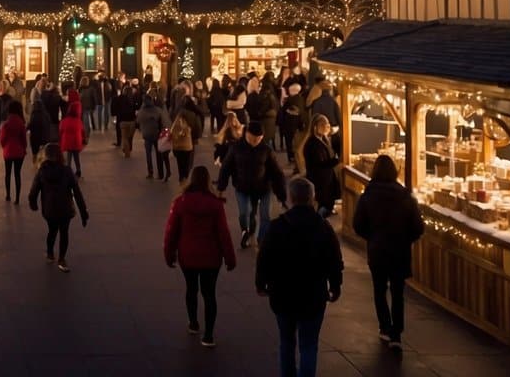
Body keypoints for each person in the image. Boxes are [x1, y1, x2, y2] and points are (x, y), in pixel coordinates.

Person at [256, 178, 343, 377]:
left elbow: (264, 258)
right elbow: (334, 259)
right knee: (309, 344)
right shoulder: (323, 227)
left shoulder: (277, 226)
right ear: (312, 198)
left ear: (291, 198)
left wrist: (261, 283)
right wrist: (335, 285)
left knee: (286, 342)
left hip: (282, 293)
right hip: (313, 294)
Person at [352, 155, 424, 349]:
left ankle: (384, 327)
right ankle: (396, 334)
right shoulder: (405, 195)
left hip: (377, 250)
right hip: (399, 251)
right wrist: (406, 238)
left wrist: (372, 237)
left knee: (379, 289)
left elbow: (358, 224)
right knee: (398, 292)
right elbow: (418, 226)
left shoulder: (368, 195)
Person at [164, 166, 237, 348]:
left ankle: (193, 323)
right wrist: (230, 258)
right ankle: (209, 335)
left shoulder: (180, 202)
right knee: (209, 294)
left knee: (191, 289)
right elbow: (223, 234)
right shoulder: (215, 204)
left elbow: (171, 231)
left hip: (187, 255)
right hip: (211, 257)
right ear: (207, 182)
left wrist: (169, 254)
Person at [216, 121, 288, 248]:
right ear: (247, 134)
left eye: (259, 139)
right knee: (245, 213)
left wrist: (281, 195)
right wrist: (221, 188)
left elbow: (276, 173)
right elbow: (226, 168)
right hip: (242, 187)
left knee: (265, 215)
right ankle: (246, 231)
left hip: (263, 188)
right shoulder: (236, 148)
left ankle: (262, 239)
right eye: (253, 138)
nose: (256, 141)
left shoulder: (266, 149)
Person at [28, 143, 89, 273]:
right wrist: (84, 212)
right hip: (65, 208)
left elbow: (33, 191)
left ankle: (50, 253)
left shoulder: (42, 171)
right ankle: (61, 259)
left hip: (49, 209)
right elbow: (77, 193)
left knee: (52, 230)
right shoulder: (67, 171)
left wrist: (33, 204)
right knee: (64, 233)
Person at [298, 114, 340, 217]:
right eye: (324, 124)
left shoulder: (323, 139)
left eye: (328, 124)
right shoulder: (312, 144)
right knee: (323, 204)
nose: (327, 127)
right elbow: (319, 164)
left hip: (326, 179)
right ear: (315, 127)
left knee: (327, 203)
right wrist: (335, 160)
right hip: (319, 180)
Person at [136, 90, 171, 181]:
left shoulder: (142, 112)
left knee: (148, 154)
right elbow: (163, 122)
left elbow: (138, 121)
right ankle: (160, 173)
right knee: (159, 154)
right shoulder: (157, 110)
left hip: (147, 134)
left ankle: (150, 172)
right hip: (156, 134)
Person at [0, 100, 28, 204]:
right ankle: (17, 198)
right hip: (19, 152)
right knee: (17, 174)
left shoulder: (6, 124)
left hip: (8, 151)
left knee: (8, 173)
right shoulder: (21, 123)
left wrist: (4, 147)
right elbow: (24, 139)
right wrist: (24, 148)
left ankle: (8, 195)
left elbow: (2, 139)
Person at [280, 83, 308, 165]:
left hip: (289, 124)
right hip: (297, 125)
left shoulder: (289, 100)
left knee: (289, 141)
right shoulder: (301, 99)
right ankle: (295, 157)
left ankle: (291, 157)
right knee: (296, 142)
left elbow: (283, 111)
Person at [170, 111, 196, 183]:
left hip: (178, 148)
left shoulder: (176, 123)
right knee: (186, 163)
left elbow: (171, 133)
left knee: (180, 164)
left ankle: (181, 178)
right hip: (187, 147)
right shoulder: (189, 122)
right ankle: (185, 177)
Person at [26, 95, 52, 166]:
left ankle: (34, 162)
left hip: (35, 137)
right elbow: (49, 124)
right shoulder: (46, 114)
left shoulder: (33, 115)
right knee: (44, 151)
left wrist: (26, 129)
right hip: (44, 137)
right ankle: (43, 162)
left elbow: (30, 125)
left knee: (35, 151)